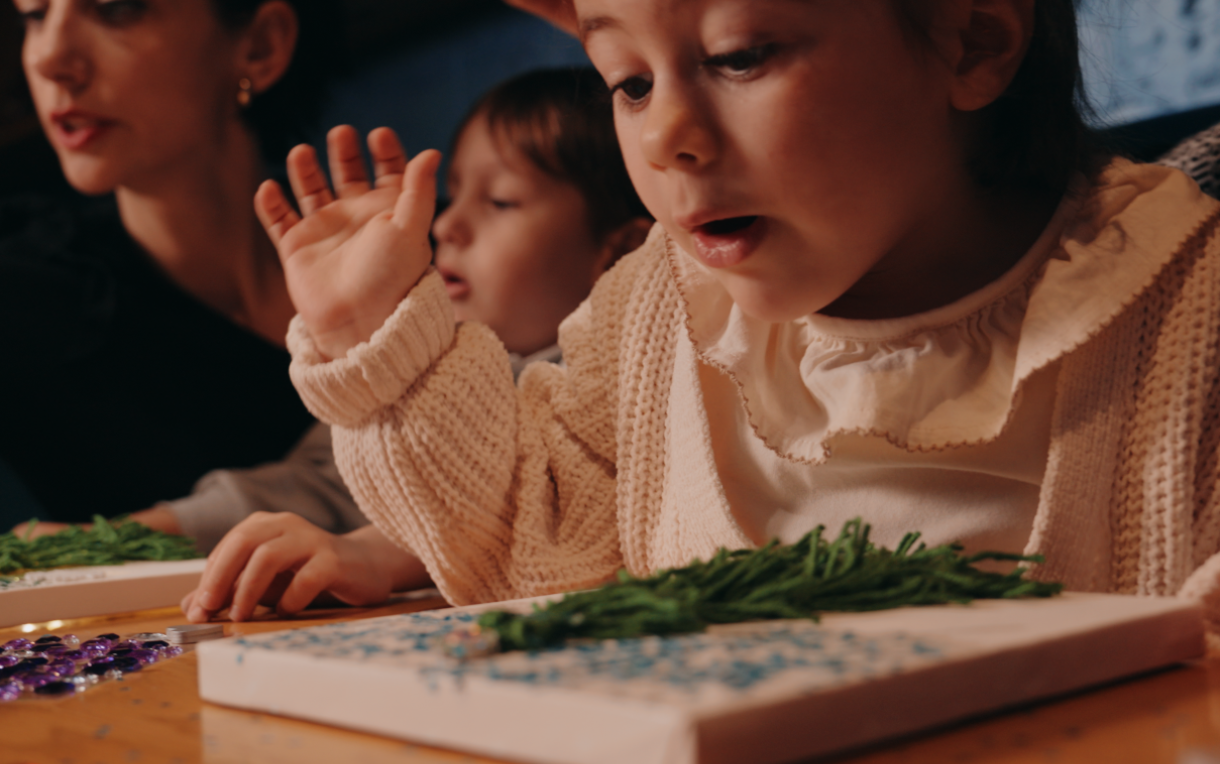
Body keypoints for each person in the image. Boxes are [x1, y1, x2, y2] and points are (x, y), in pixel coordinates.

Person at [216, 0, 1220, 628]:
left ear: (969, 39)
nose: (667, 137)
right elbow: (527, 543)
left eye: (741, 56)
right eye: (628, 80)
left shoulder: (1182, 305)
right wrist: (374, 331)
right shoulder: (656, 308)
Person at [182, 66, 652, 621]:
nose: (448, 223)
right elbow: (326, 474)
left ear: (624, 250)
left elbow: (560, 509)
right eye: (455, 195)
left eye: (501, 201)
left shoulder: (632, 375)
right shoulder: (457, 363)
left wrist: (374, 555)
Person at [1, 0, 354, 546]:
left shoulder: (445, 262)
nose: (49, 58)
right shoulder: (25, 303)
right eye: (33, 15)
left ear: (260, 46)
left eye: (114, 10)